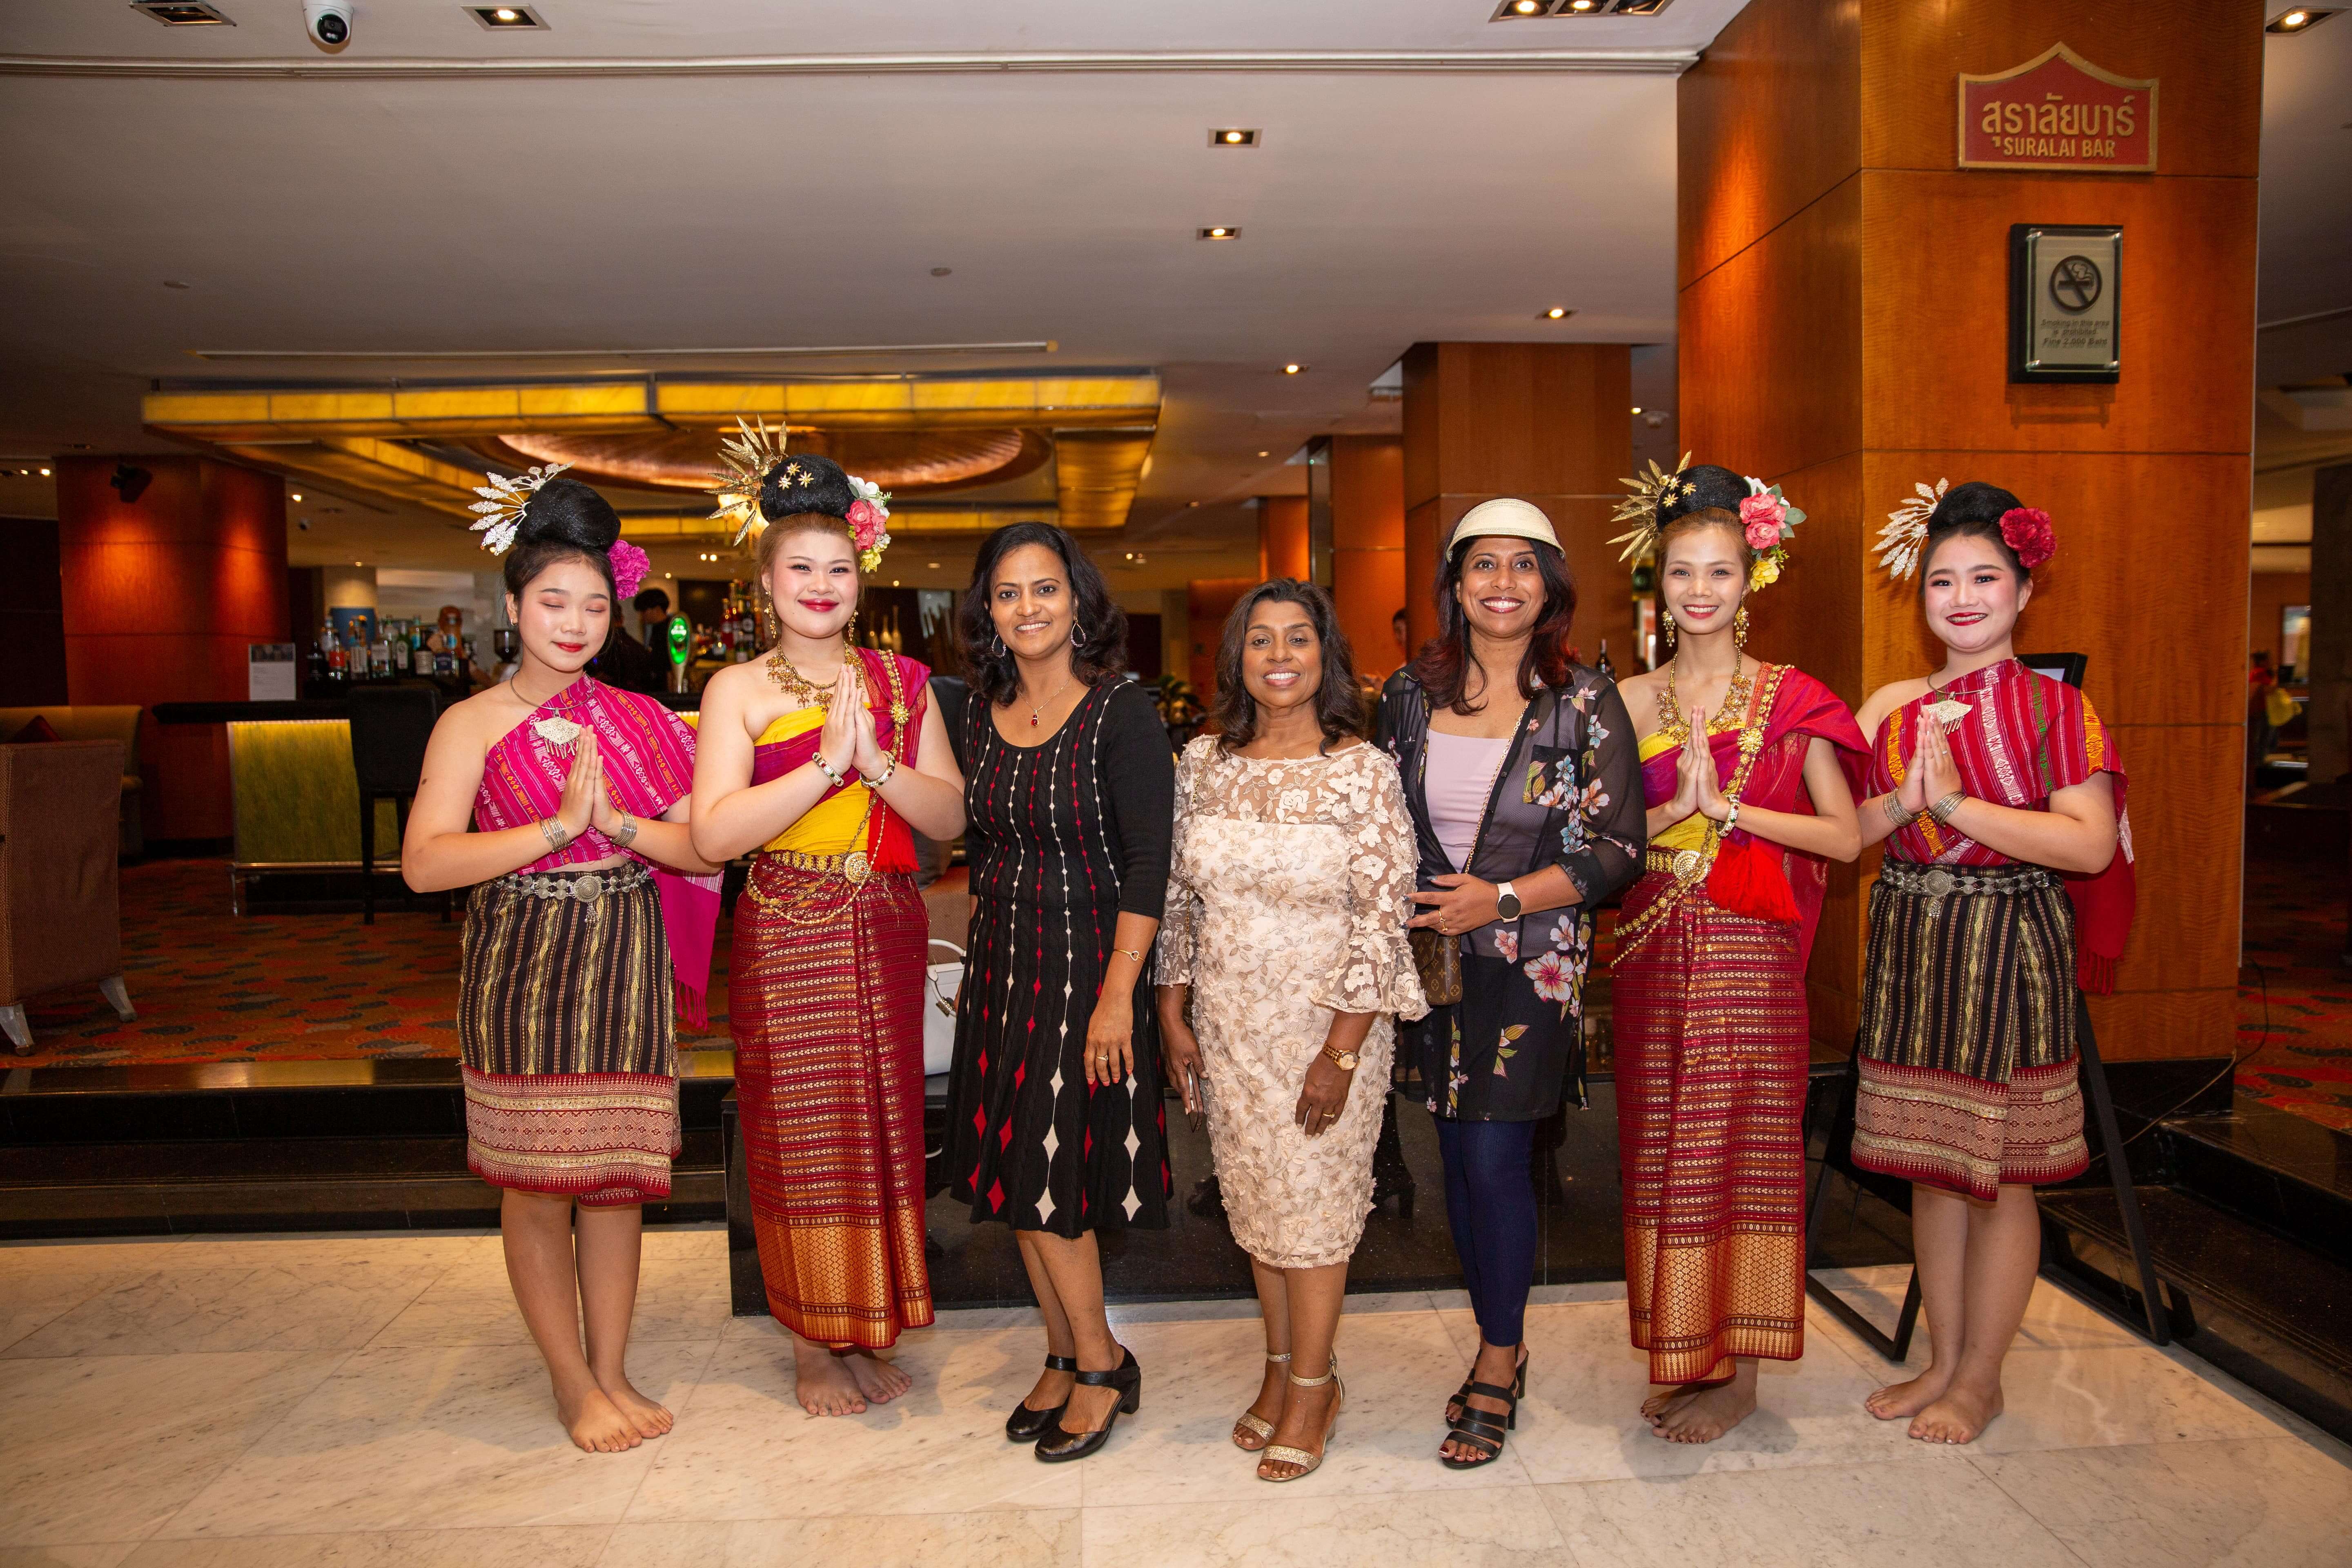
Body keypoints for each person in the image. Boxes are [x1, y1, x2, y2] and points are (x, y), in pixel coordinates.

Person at [401, 470, 720, 1453]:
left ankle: (615, 1369)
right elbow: (424, 864)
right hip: (522, 960)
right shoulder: (471, 723)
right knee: (537, 1180)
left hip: (625, 956)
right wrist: (553, 828)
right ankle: (571, 1379)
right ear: (514, 607)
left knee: (617, 1176)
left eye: (593, 603)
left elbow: (703, 850)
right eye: (553, 601)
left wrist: (616, 822)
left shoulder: (638, 719)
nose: (576, 622)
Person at [1851, 479, 2133, 1445]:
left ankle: (1982, 1377)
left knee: (2003, 1175)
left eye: (1984, 577)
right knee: (1933, 1169)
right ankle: (1939, 1359)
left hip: (2010, 948)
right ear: (1919, 596)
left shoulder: (2060, 710)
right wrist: (1904, 804)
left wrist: (1954, 804)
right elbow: (1845, 833)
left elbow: (2089, 846)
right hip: (1913, 944)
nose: (1962, 597)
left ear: (2023, 590)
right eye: (1941, 581)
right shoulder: (1890, 704)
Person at [690, 445, 967, 1417]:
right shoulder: (739, 690)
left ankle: (863, 1325)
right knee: (802, 1134)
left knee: (881, 1127)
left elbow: (949, 819)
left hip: (883, 921)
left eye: (837, 568)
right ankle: (813, 1344)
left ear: (864, 578)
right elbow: (714, 833)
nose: (820, 585)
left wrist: (878, 762)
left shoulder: (902, 680)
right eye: (800, 568)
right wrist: (824, 767)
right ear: (767, 583)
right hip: (788, 925)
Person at [1375, 498, 1644, 1468]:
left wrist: (1501, 899)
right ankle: (1500, 1328)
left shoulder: (1585, 702)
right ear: (1454, 587)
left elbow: (1621, 850)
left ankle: (1499, 1354)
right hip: (1430, 965)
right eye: (1482, 565)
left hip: (1530, 965)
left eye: (1522, 566)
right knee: (1453, 1158)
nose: (1502, 583)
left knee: (1494, 1161)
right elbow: (1379, 819)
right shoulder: (1409, 693)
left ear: (1551, 586)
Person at [1606, 464, 1864, 1442]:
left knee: (1743, 1154)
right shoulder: (1624, 702)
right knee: (1665, 1151)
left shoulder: (1794, 700)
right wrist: (1673, 811)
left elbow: (1842, 837)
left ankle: (1742, 1376)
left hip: (1751, 961)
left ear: (1754, 575)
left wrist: (1730, 809)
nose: (1701, 590)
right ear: (1657, 581)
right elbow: (1604, 841)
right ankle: (1689, 1351)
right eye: (1682, 572)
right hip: (1650, 954)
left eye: (1720, 570)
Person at [1157, 581, 1425, 1482]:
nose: (1279, 654)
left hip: (1326, 1028)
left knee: (1312, 1214)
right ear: (1237, 656)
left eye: (1299, 638)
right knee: (1260, 1208)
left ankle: (1315, 1387)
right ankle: (1278, 1372)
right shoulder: (1201, 762)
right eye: (1260, 639)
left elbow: (1382, 921)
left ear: (1325, 655)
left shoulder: (1363, 770)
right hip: (1229, 1026)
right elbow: (1178, 899)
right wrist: (1171, 1008)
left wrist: (1341, 1052)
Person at [943, 520, 1176, 1464]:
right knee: (1012, 1177)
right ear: (988, 611)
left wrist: (1120, 997)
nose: (1028, 607)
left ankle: (1102, 1363)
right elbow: (974, 846)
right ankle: (1062, 1349)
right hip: (1002, 963)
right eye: (1008, 593)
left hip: (1089, 967)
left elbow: (1150, 861)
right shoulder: (974, 712)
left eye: (1045, 588)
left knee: (1055, 1181)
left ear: (1077, 600)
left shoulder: (1121, 709)